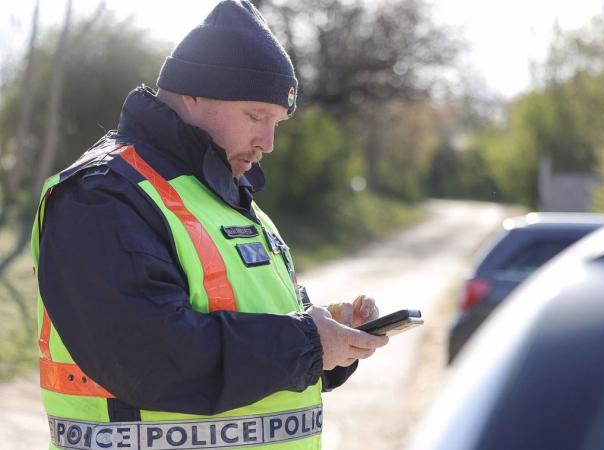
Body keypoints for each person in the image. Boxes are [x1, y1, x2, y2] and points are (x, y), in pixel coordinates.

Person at [32, 1, 388, 449]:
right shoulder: (103, 196)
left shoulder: (230, 200)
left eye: (277, 122)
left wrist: (330, 339)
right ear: (193, 94)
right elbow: (150, 358)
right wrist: (305, 344)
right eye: (256, 116)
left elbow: (257, 347)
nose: (268, 143)